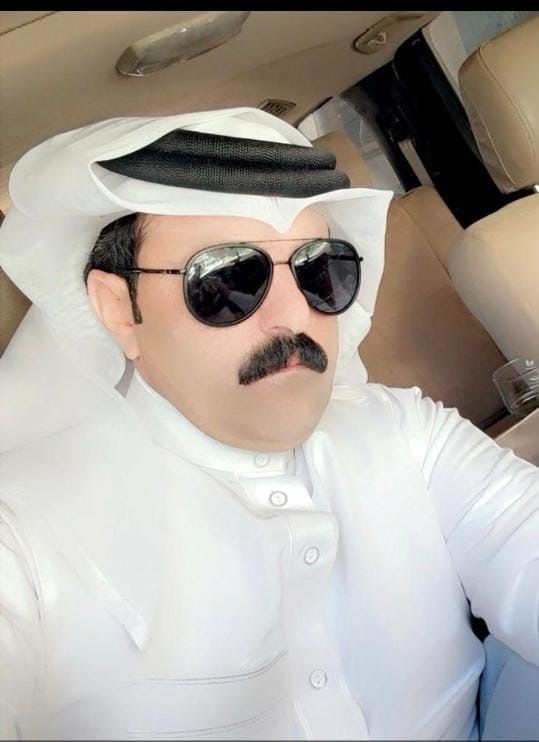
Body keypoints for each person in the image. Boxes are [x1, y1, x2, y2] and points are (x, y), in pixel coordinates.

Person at [0, 107, 537, 741]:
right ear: (120, 309)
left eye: (319, 271)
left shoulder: (405, 431)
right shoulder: (24, 536)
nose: (296, 316)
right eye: (229, 277)